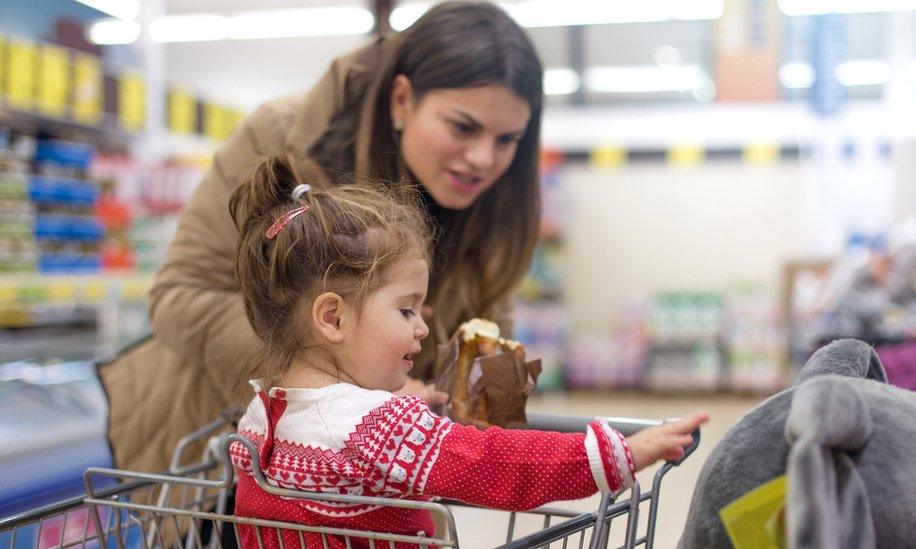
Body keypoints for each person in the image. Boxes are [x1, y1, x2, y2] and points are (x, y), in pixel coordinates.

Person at [97, 1, 548, 474]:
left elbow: (489, 322)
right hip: (226, 451)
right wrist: (338, 369)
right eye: (463, 126)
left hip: (370, 476)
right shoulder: (281, 137)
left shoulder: (497, 203)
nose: (482, 158)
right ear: (401, 99)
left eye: (506, 140)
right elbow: (178, 297)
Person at [226, 157, 710, 548]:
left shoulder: (263, 414)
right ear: (332, 319)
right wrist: (620, 453)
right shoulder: (377, 426)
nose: (422, 328)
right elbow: (496, 464)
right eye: (406, 310)